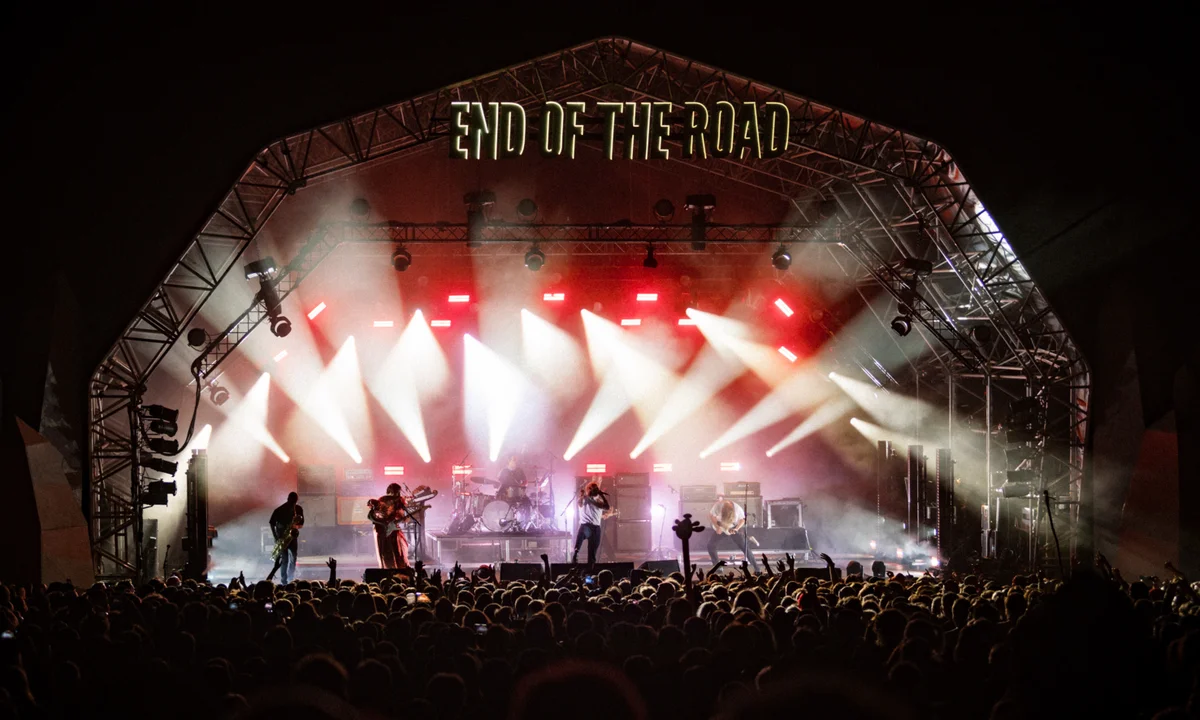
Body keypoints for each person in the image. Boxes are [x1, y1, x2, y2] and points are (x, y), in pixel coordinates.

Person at [707, 497, 759, 572]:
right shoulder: (718, 505)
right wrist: (717, 527)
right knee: (710, 545)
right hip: (721, 526)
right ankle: (718, 567)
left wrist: (736, 529)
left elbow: (742, 520)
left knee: (745, 547)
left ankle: (757, 569)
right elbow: (711, 516)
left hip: (732, 527)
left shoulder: (737, 509)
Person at [368, 483, 410, 569]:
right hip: (391, 529)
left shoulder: (381, 499)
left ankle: (386, 570)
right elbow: (401, 517)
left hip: (380, 529)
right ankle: (400, 570)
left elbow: (374, 515)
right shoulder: (399, 500)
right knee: (398, 550)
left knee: (384, 551)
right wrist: (405, 518)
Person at [267, 492, 304, 583]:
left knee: (293, 559)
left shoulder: (298, 509)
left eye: (294, 502)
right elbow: (272, 523)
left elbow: (301, 524)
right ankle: (284, 580)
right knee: (285, 560)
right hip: (282, 538)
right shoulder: (279, 510)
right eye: (292, 502)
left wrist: (295, 526)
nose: (293, 504)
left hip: (292, 537)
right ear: (288, 499)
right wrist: (275, 537)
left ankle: (291, 578)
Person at [572, 481, 609, 567]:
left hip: (595, 527)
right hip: (587, 526)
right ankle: (576, 553)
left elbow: (607, 507)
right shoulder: (585, 499)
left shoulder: (599, 501)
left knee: (592, 553)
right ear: (588, 489)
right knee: (582, 533)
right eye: (593, 488)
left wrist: (602, 495)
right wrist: (582, 495)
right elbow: (579, 503)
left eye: (596, 488)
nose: (595, 489)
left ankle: (590, 567)